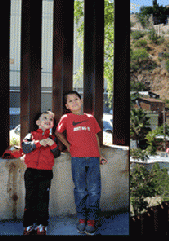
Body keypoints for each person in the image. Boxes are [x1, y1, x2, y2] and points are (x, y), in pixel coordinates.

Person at [54, 91, 107, 235]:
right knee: (80, 190)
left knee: (94, 190)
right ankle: (82, 218)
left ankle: (92, 219)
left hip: (94, 158)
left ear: (81, 101)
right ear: (67, 106)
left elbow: (95, 137)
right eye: (70, 101)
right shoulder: (66, 118)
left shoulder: (90, 118)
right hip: (77, 158)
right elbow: (58, 133)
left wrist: (100, 154)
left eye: (76, 99)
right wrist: (68, 146)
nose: (74, 102)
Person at [22, 111, 61, 235]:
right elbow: (25, 147)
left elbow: (57, 153)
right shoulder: (31, 135)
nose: (48, 120)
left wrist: (52, 144)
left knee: (43, 200)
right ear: (38, 122)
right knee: (30, 198)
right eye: (44, 118)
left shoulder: (53, 138)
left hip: (45, 173)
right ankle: (28, 224)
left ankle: (42, 225)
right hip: (31, 172)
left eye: (51, 119)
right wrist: (39, 143)